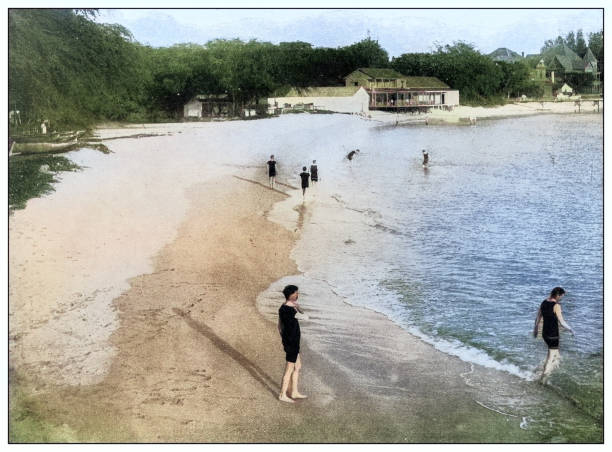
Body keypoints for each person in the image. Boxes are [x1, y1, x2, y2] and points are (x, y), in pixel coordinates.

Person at [533, 287, 575, 383]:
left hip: (545, 334)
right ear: (558, 295)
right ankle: (543, 378)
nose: (561, 299)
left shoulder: (543, 302)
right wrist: (571, 329)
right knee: (551, 357)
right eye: (561, 296)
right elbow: (562, 322)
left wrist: (535, 329)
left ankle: (543, 370)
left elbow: (537, 318)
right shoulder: (556, 306)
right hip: (553, 335)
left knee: (554, 354)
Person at [278, 285, 307, 403]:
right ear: (290, 295)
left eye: (298, 293)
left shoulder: (291, 307)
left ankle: (294, 392)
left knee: (297, 366)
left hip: (295, 342)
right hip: (291, 343)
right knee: (289, 368)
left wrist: (297, 306)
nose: (298, 295)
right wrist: (286, 342)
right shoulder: (285, 309)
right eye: (296, 293)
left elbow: (302, 312)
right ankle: (282, 394)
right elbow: (281, 327)